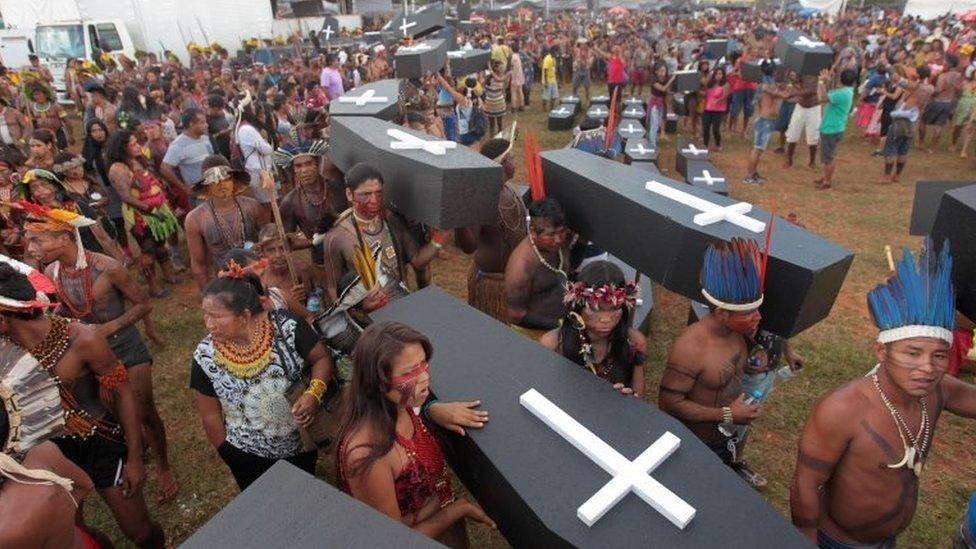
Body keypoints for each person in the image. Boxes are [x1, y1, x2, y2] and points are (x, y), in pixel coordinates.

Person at [790, 241, 976, 547]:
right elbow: (805, 483)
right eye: (913, 353)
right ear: (882, 351)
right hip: (837, 542)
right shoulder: (843, 409)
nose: (927, 368)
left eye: (940, 356)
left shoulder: (939, 390)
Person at [0, 262, 164, 547]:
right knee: (75, 533)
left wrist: (135, 459)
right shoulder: (6, 356)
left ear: (3, 319)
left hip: (99, 443)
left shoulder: (82, 339)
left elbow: (124, 394)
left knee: (140, 532)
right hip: (48, 455)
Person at [24, 207, 178, 503]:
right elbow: (68, 308)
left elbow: (143, 304)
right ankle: (134, 454)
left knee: (144, 409)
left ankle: (163, 467)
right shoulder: (51, 272)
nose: (31, 249)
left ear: (65, 238)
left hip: (125, 347)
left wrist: (108, 327)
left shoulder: (108, 267)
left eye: (37, 241)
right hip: (93, 354)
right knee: (115, 412)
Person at [336, 321, 494, 544]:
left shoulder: (400, 404)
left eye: (424, 364)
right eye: (410, 371)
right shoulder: (367, 454)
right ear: (378, 381)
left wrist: (432, 410)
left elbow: (421, 411)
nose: (424, 378)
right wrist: (458, 510)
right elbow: (393, 541)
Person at [190, 261, 334, 490]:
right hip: (247, 457)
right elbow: (209, 414)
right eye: (205, 315)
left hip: (300, 446)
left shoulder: (287, 328)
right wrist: (228, 452)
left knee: (304, 497)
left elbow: (322, 358)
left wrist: (313, 395)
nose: (209, 324)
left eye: (216, 316)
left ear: (245, 316)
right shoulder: (205, 356)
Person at [659, 238, 767, 489]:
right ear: (721, 313)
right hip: (694, 446)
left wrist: (752, 359)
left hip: (723, 439)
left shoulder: (738, 332)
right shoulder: (690, 347)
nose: (758, 317)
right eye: (749, 313)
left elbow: (728, 364)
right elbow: (669, 404)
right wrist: (729, 414)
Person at [322, 163, 444, 305]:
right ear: (350, 194)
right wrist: (351, 313)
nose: (374, 200)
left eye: (378, 193)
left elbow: (417, 259)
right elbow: (332, 288)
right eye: (366, 194)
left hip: (402, 304)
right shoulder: (336, 237)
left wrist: (441, 237)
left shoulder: (390, 219)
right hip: (369, 317)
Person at [540, 260, 646, 396]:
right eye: (595, 309)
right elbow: (543, 393)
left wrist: (628, 399)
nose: (606, 319)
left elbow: (638, 400)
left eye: (615, 308)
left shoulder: (634, 343)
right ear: (578, 306)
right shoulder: (552, 344)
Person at [454, 138, 527, 322]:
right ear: (502, 164)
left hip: (514, 281)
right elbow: (468, 246)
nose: (515, 161)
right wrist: (459, 217)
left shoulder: (511, 189)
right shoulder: (481, 198)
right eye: (512, 158)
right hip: (492, 285)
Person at [105, 130, 181, 297]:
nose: (138, 146)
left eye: (136, 142)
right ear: (121, 148)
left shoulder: (138, 160)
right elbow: (125, 197)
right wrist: (151, 210)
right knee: (148, 251)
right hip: (141, 217)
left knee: (161, 246)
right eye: (132, 144)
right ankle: (153, 287)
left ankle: (169, 275)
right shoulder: (118, 168)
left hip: (157, 212)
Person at [184, 155, 268, 291]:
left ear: (234, 181)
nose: (221, 184)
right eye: (214, 181)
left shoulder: (252, 206)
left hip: (259, 278)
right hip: (226, 284)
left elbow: (269, 244)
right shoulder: (195, 219)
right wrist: (208, 296)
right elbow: (198, 264)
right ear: (206, 186)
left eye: (226, 178)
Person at [504, 198, 572, 340]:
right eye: (551, 234)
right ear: (533, 232)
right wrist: (560, 324)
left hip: (559, 330)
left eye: (561, 232)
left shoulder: (558, 245)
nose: (558, 239)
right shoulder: (521, 266)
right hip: (532, 337)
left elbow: (568, 268)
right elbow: (515, 315)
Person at [276, 139, 348, 266]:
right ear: (293, 169)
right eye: (298, 166)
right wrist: (314, 241)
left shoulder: (338, 188)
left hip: (350, 251)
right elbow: (288, 242)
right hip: (322, 261)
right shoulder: (290, 202)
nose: (304, 170)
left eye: (308, 163)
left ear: (318, 163)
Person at [880, 67, 933, 185]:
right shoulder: (930, 88)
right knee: (903, 150)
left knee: (890, 147)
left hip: (902, 118)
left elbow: (897, 79)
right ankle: (897, 176)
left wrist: (888, 66)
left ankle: (886, 176)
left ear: (918, 74)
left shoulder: (915, 86)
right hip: (914, 120)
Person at [745, 60, 790, 184]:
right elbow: (784, 95)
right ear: (774, 71)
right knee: (757, 149)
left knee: (759, 150)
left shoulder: (767, 83)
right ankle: (749, 176)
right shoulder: (767, 85)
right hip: (764, 120)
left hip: (765, 120)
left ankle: (753, 173)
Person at [160, 108, 214, 204]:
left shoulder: (205, 137)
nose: (207, 125)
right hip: (201, 195)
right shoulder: (178, 145)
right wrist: (185, 188)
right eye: (202, 122)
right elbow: (165, 168)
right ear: (191, 124)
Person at [814, 68, 855, 190]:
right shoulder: (847, 91)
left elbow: (822, 97)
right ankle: (826, 176)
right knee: (829, 155)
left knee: (828, 158)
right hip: (837, 127)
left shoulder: (842, 93)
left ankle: (827, 181)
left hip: (831, 128)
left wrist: (821, 82)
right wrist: (828, 81)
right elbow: (832, 92)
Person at [920, 56, 961, 151]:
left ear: (949, 64)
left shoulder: (942, 76)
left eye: (945, 63)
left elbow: (938, 91)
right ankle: (932, 148)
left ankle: (921, 143)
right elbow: (959, 90)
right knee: (939, 125)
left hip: (937, 101)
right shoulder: (958, 75)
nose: (943, 65)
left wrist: (931, 93)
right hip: (948, 103)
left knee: (922, 121)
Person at [784, 74, 821, 170]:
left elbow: (812, 90)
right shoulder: (802, 70)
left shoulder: (815, 71)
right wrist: (792, 80)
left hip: (813, 107)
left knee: (813, 135)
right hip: (801, 105)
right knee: (793, 132)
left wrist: (795, 93)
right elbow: (799, 85)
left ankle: (812, 162)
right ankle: (789, 159)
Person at [702, 67, 730, 151]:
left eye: (720, 74)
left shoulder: (725, 84)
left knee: (715, 129)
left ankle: (718, 144)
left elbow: (726, 95)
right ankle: (705, 145)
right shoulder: (710, 83)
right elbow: (705, 92)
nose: (718, 75)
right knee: (706, 128)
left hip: (719, 110)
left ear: (723, 75)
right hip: (707, 108)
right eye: (717, 73)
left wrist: (718, 100)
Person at [540, 48, 559, 113]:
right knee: (546, 96)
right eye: (556, 52)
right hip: (547, 80)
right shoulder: (547, 59)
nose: (557, 54)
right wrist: (545, 82)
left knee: (555, 95)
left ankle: (551, 108)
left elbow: (554, 68)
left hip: (553, 79)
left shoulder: (553, 59)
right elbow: (545, 69)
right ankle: (544, 109)